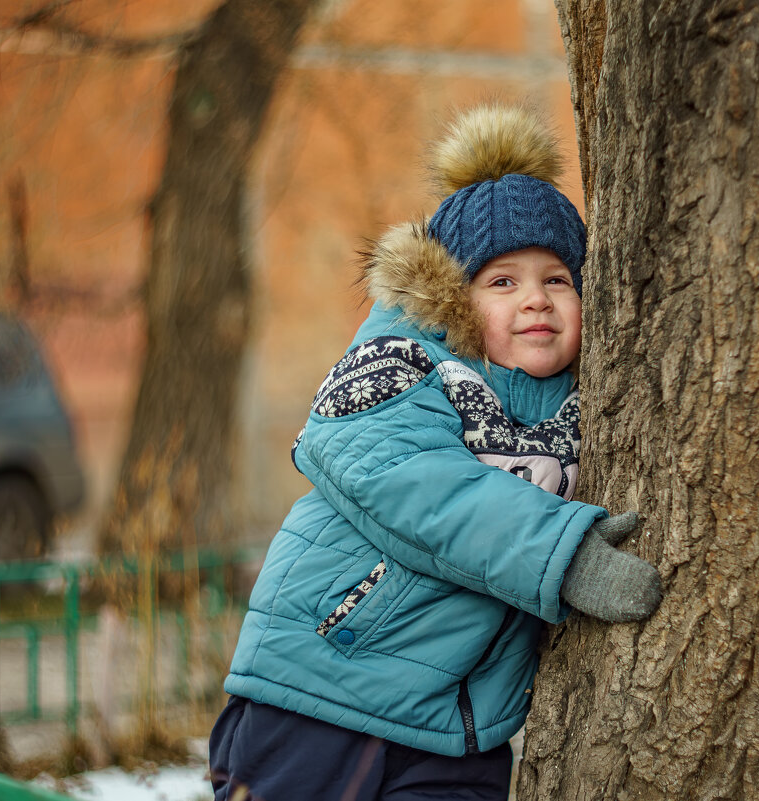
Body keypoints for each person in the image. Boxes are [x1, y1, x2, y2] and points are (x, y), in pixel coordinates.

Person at [209, 104, 663, 801]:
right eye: (503, 281)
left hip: (456, 729)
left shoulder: (591, 403)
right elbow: (420, 489)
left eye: (558, 279)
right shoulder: (400, 363)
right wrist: (563, 555)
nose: (535, 299)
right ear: (454, 299)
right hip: (321, 691)